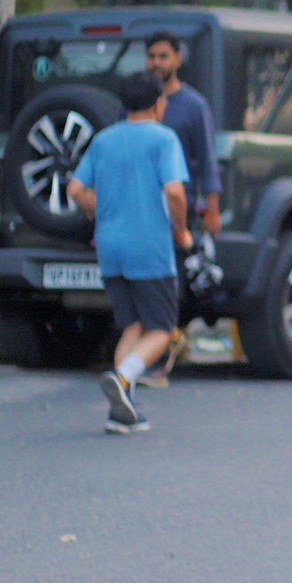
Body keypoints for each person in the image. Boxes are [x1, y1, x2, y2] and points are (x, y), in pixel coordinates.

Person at [67, 73, 190, 436]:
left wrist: (97, 208)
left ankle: (121, 410)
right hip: (149, 246)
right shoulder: (163, 138)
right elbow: (175, 192)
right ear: (158, 103)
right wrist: (181, 230)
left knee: (134, 326)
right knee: (163, 330)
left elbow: (76, 188)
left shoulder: (104, 140)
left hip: (110, 247)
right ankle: (123, 378)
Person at [140, 32, 223, 384]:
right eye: (152, 56)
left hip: (178, 210)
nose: (156, 63)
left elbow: (207, 159)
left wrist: (212, 208)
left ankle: (161, 356)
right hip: (141, 209)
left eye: (163, 56)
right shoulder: (139, 103)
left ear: (177, 59)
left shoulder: (193, 105)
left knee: (168, 284)